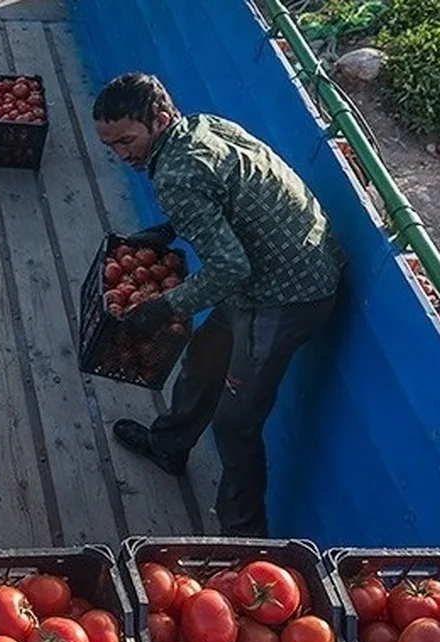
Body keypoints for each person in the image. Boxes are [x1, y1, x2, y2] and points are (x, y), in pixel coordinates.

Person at [93, 72, 343, 537]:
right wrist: (172, 230)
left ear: (159, 120)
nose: (122, 154)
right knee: (204, 360)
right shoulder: (204, 126)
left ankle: (245, 538)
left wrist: (164, 307)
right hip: (284, 263)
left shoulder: (175, 178)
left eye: (127, 141)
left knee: (236, 423)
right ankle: (169, 446)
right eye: (111, 146)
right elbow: (225, 195)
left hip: (285, 297)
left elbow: (231, 270)